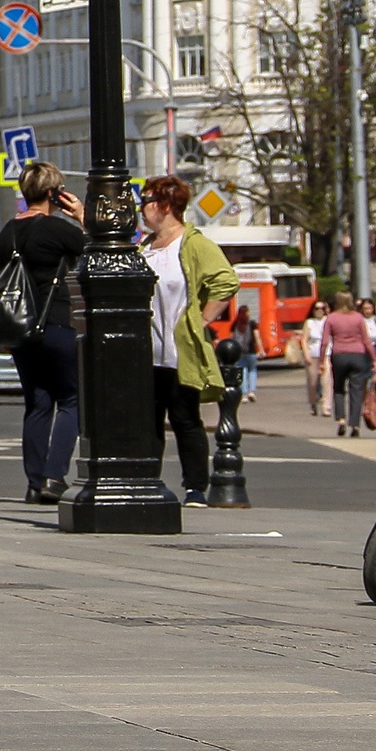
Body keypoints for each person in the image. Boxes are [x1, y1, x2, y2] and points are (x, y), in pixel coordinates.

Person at [138, 176, 232, 507]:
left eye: (145, 201)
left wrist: (202, 319)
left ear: (164, 206)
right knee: (147, 422)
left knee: (185, 418)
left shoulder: (192, 243)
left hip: (180, 350)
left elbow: (225, 281)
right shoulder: (144, 247)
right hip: (146, 350)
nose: (141, 208)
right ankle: (147, 481)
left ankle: (195, 488)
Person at [0, 160, 83, 506]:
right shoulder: (57, 229)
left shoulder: (7, 233)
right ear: (53, 193)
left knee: (37, 403)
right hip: (56, 322)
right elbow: (101, 245)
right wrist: (79, 214)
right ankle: (53, 476)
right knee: (72, 400)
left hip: (20, 327)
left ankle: (34, 482)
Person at [322, 293, 376, 437]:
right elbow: (366, 340)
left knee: (339, 388)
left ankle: (341, 419)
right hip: (358, 355)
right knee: (357, 390)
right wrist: (374, 359)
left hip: (339, 355)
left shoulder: (331, 318)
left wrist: (322, 360)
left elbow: (325, 341)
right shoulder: (358, 318)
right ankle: (355, 424)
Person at [300, 300, 328, 418]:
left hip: (326, 354)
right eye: (317, 308)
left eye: (322, 308)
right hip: (313, 353)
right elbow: (304, 340)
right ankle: (313, 403)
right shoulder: (309, 322)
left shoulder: (328, 321)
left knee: (327, 381)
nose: (320, 311)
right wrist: (307, 354)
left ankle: (326, 406)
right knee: (313, 381)